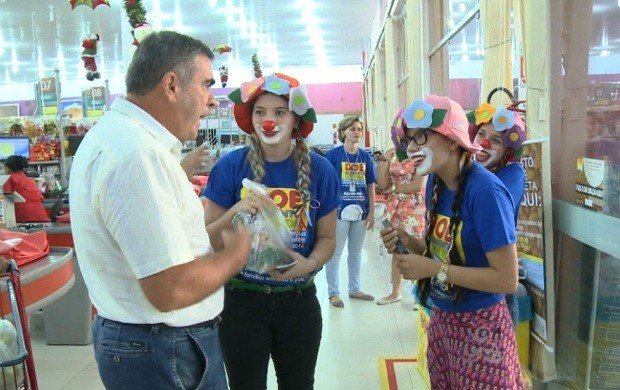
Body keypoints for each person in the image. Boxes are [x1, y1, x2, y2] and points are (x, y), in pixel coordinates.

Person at [69, 31, 251, 390]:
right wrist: (236, 255)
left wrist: (229, 226)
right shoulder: (137, 156)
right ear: (171, 85)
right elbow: (170, 290)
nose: (211, 101)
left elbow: (175, 248)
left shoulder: (119, 137)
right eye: (205, 85)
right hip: (164, 349)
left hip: (152, 344)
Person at [202, 72, 340, 390]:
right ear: (250, 119)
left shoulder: (321, 170)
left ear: (295, 119)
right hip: (241, 303)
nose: (269, 121)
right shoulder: (230, 167)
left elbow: (328, 239)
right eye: (260, 112)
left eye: (279, 112)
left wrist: (310, 263)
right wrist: (235, 212)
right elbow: (209, 236)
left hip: (298, 302)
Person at [381, 95, 524, 388]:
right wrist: (407, 241)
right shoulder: (436, 182)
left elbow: (507, 280)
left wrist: (433, 270)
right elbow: (439, 252)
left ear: (451, 139)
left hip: (481, 328)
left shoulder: (486, 192)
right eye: (409, 139)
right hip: (443, 321)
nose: (411, 147)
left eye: (421, 136)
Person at [324, 116, 377, 308]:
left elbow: (370, 184)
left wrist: (371, 212)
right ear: (343, 131)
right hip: (338, 211)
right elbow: (327, 183)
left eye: (360, 129)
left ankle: (354, 289)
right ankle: (333, 293)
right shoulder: (333, 156)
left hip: (360, 211)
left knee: (356, 253)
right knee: (335, 253)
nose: (357, 132)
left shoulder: (365, 157)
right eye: (353, 128)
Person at [375, 109, 426, 305]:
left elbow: (418, 185)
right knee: (396, 250)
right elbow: (383, 184)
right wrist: (384, 162)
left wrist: (394, 189)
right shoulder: (392, 154)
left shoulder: (421, 153)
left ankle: (420, 293)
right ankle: (395, 292)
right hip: (395, 209)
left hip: (414, 209)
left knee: (416, 250)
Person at [467, 101, 527, 219]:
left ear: (508, 150)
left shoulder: (514, 174)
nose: (484, 143)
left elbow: (488, 209)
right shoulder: (467, 168)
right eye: (481, 134)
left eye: (496, 140)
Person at [2, 155, 50, 223]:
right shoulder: (28, 179)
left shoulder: (9, 178)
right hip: (41, 217)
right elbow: (41, 198)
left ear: (8, 168)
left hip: (23, 218)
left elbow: (5, 199)